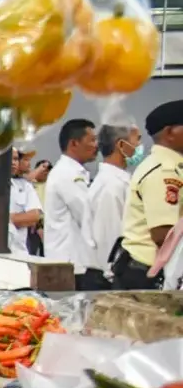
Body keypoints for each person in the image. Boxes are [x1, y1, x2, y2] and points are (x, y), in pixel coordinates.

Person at [113, 100, 183, 290]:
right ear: (169, 133)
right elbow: (164, 236)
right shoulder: (164, 172)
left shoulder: (173, 167)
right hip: (147, 277)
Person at [45, 119, 106, 290]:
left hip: (75, 264)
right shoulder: (67, 174)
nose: (96, 146)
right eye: (92, 140)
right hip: (73, 266)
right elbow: (88, 215)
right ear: (74, 143)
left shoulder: (73, 172)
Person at [88, 124, 141, 276]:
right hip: (113, 276)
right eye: (137, 140)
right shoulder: (110, 186)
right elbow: (109, 236)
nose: (139, 147)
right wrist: (112, 275)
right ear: (121, 145)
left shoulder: (120, 180)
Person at [10, 149, 44, 255]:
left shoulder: (25, 186)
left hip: (19, 252)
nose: (13, 162)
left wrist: (3, 220)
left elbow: (34, 217)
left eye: (15, 159)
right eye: (25, 159)